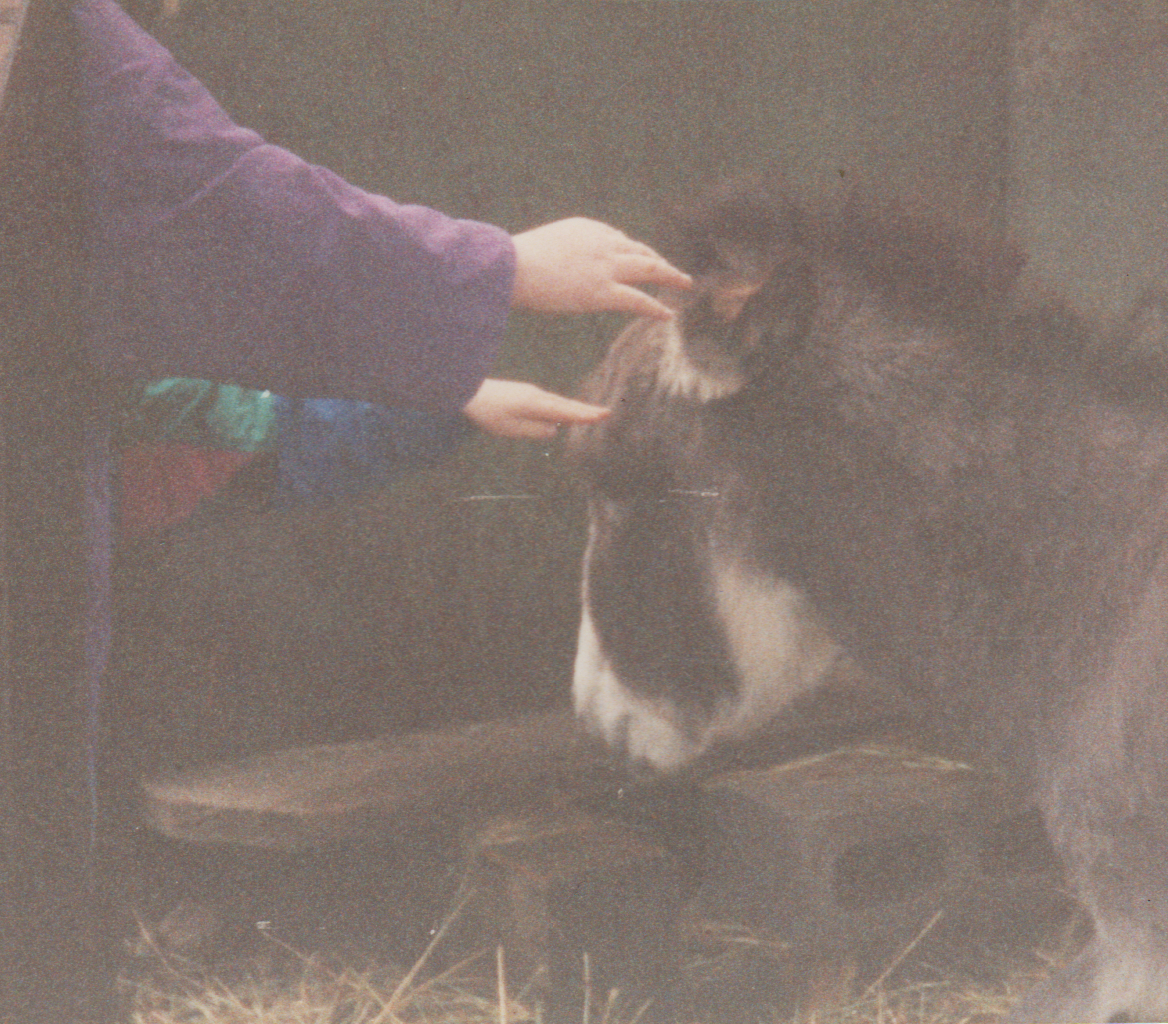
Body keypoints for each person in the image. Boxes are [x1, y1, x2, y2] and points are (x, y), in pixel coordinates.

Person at [0, 0, 689, 1018]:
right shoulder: (64, 52)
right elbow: (234, 214)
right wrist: (499, 270)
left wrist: (447, 397)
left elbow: (207, 402)